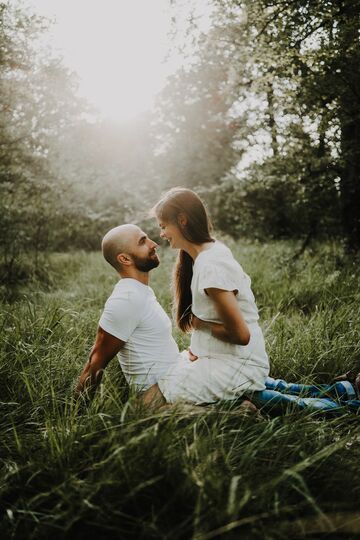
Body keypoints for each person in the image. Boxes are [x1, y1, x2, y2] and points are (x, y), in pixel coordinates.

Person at [142, 187, 360, 413]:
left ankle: (349, 408)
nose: (162, 234)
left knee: (168, 393)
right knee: (187, 377)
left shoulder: (211, 267)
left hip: (238, 362)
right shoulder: (204, 257)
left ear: (182, 220)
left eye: (163, 226)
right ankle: (344, 391)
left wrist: (200, 324)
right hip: (230, 359)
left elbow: (240, 335)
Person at [75, 224, 191, 402]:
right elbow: (94, 363)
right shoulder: (126, 300)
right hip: (158, 397)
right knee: (243, 407)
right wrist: (75, 421)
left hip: (174, 380)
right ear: (125, 259)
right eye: (143, 242)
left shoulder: (139, 291)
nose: (154, 244)